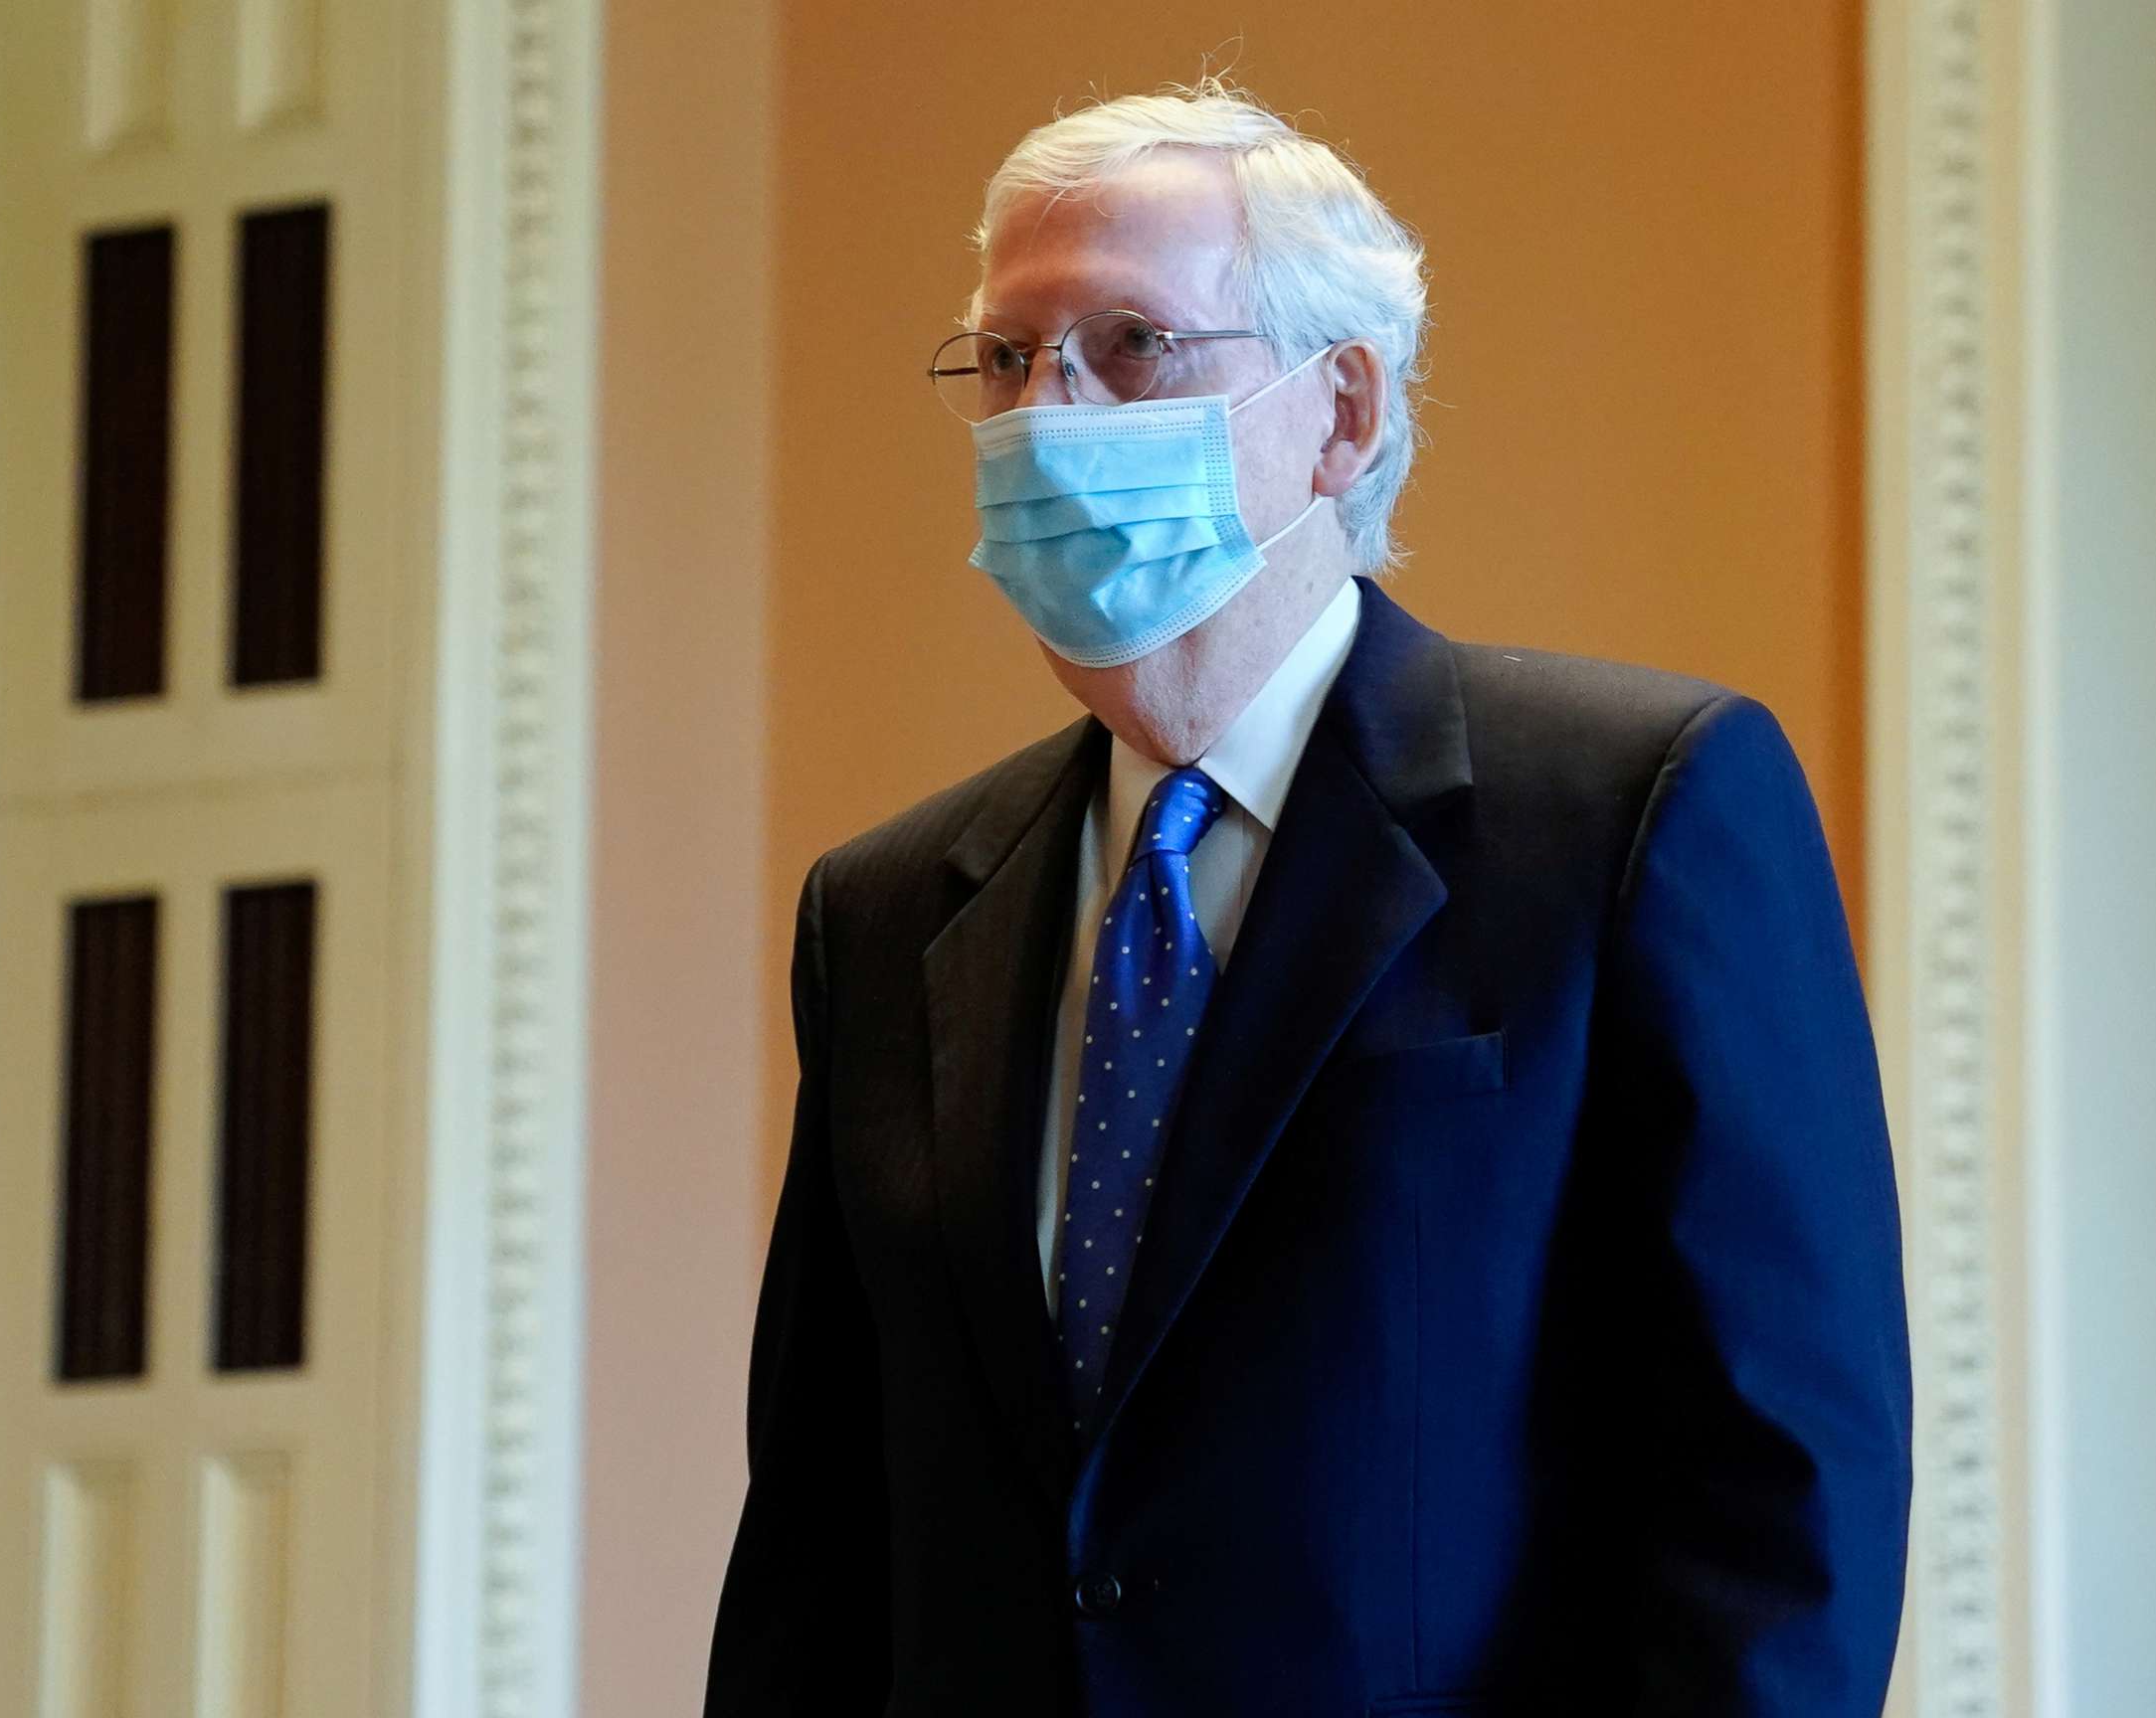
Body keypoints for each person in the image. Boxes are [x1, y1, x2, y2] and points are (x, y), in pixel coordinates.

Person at [705, 82, 1909, 1718]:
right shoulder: (889, 907)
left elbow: (1781, 1490)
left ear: (1340, 410)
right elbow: (823, 1534)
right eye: (1006, 357)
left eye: (1130, 344)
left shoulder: (1634, 809)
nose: (1048, 416)